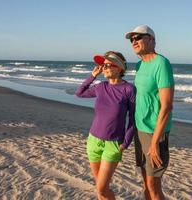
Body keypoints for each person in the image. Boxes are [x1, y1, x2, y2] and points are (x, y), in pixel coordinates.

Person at [75, 51, 135, 200]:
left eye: (109, 65)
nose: (105, 68)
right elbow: (79, 93)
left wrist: (125, 143)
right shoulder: (101, 87)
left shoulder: (129, 89)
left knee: (101, 188)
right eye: (103, 65)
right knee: (100, 189)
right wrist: (92, 76)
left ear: (120, 68)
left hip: (113, 144)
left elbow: (133, 119)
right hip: (93, 141)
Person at [125, 25, 174, 200]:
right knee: (145, 183)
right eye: (132, 39)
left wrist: (154, 143)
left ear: (151, 40)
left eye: (138, 37)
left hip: (155, 132)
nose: (134, 42)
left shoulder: (161, 63)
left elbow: (167, 106)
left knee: (154, 185)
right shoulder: (139, 65)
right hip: (140, 130)